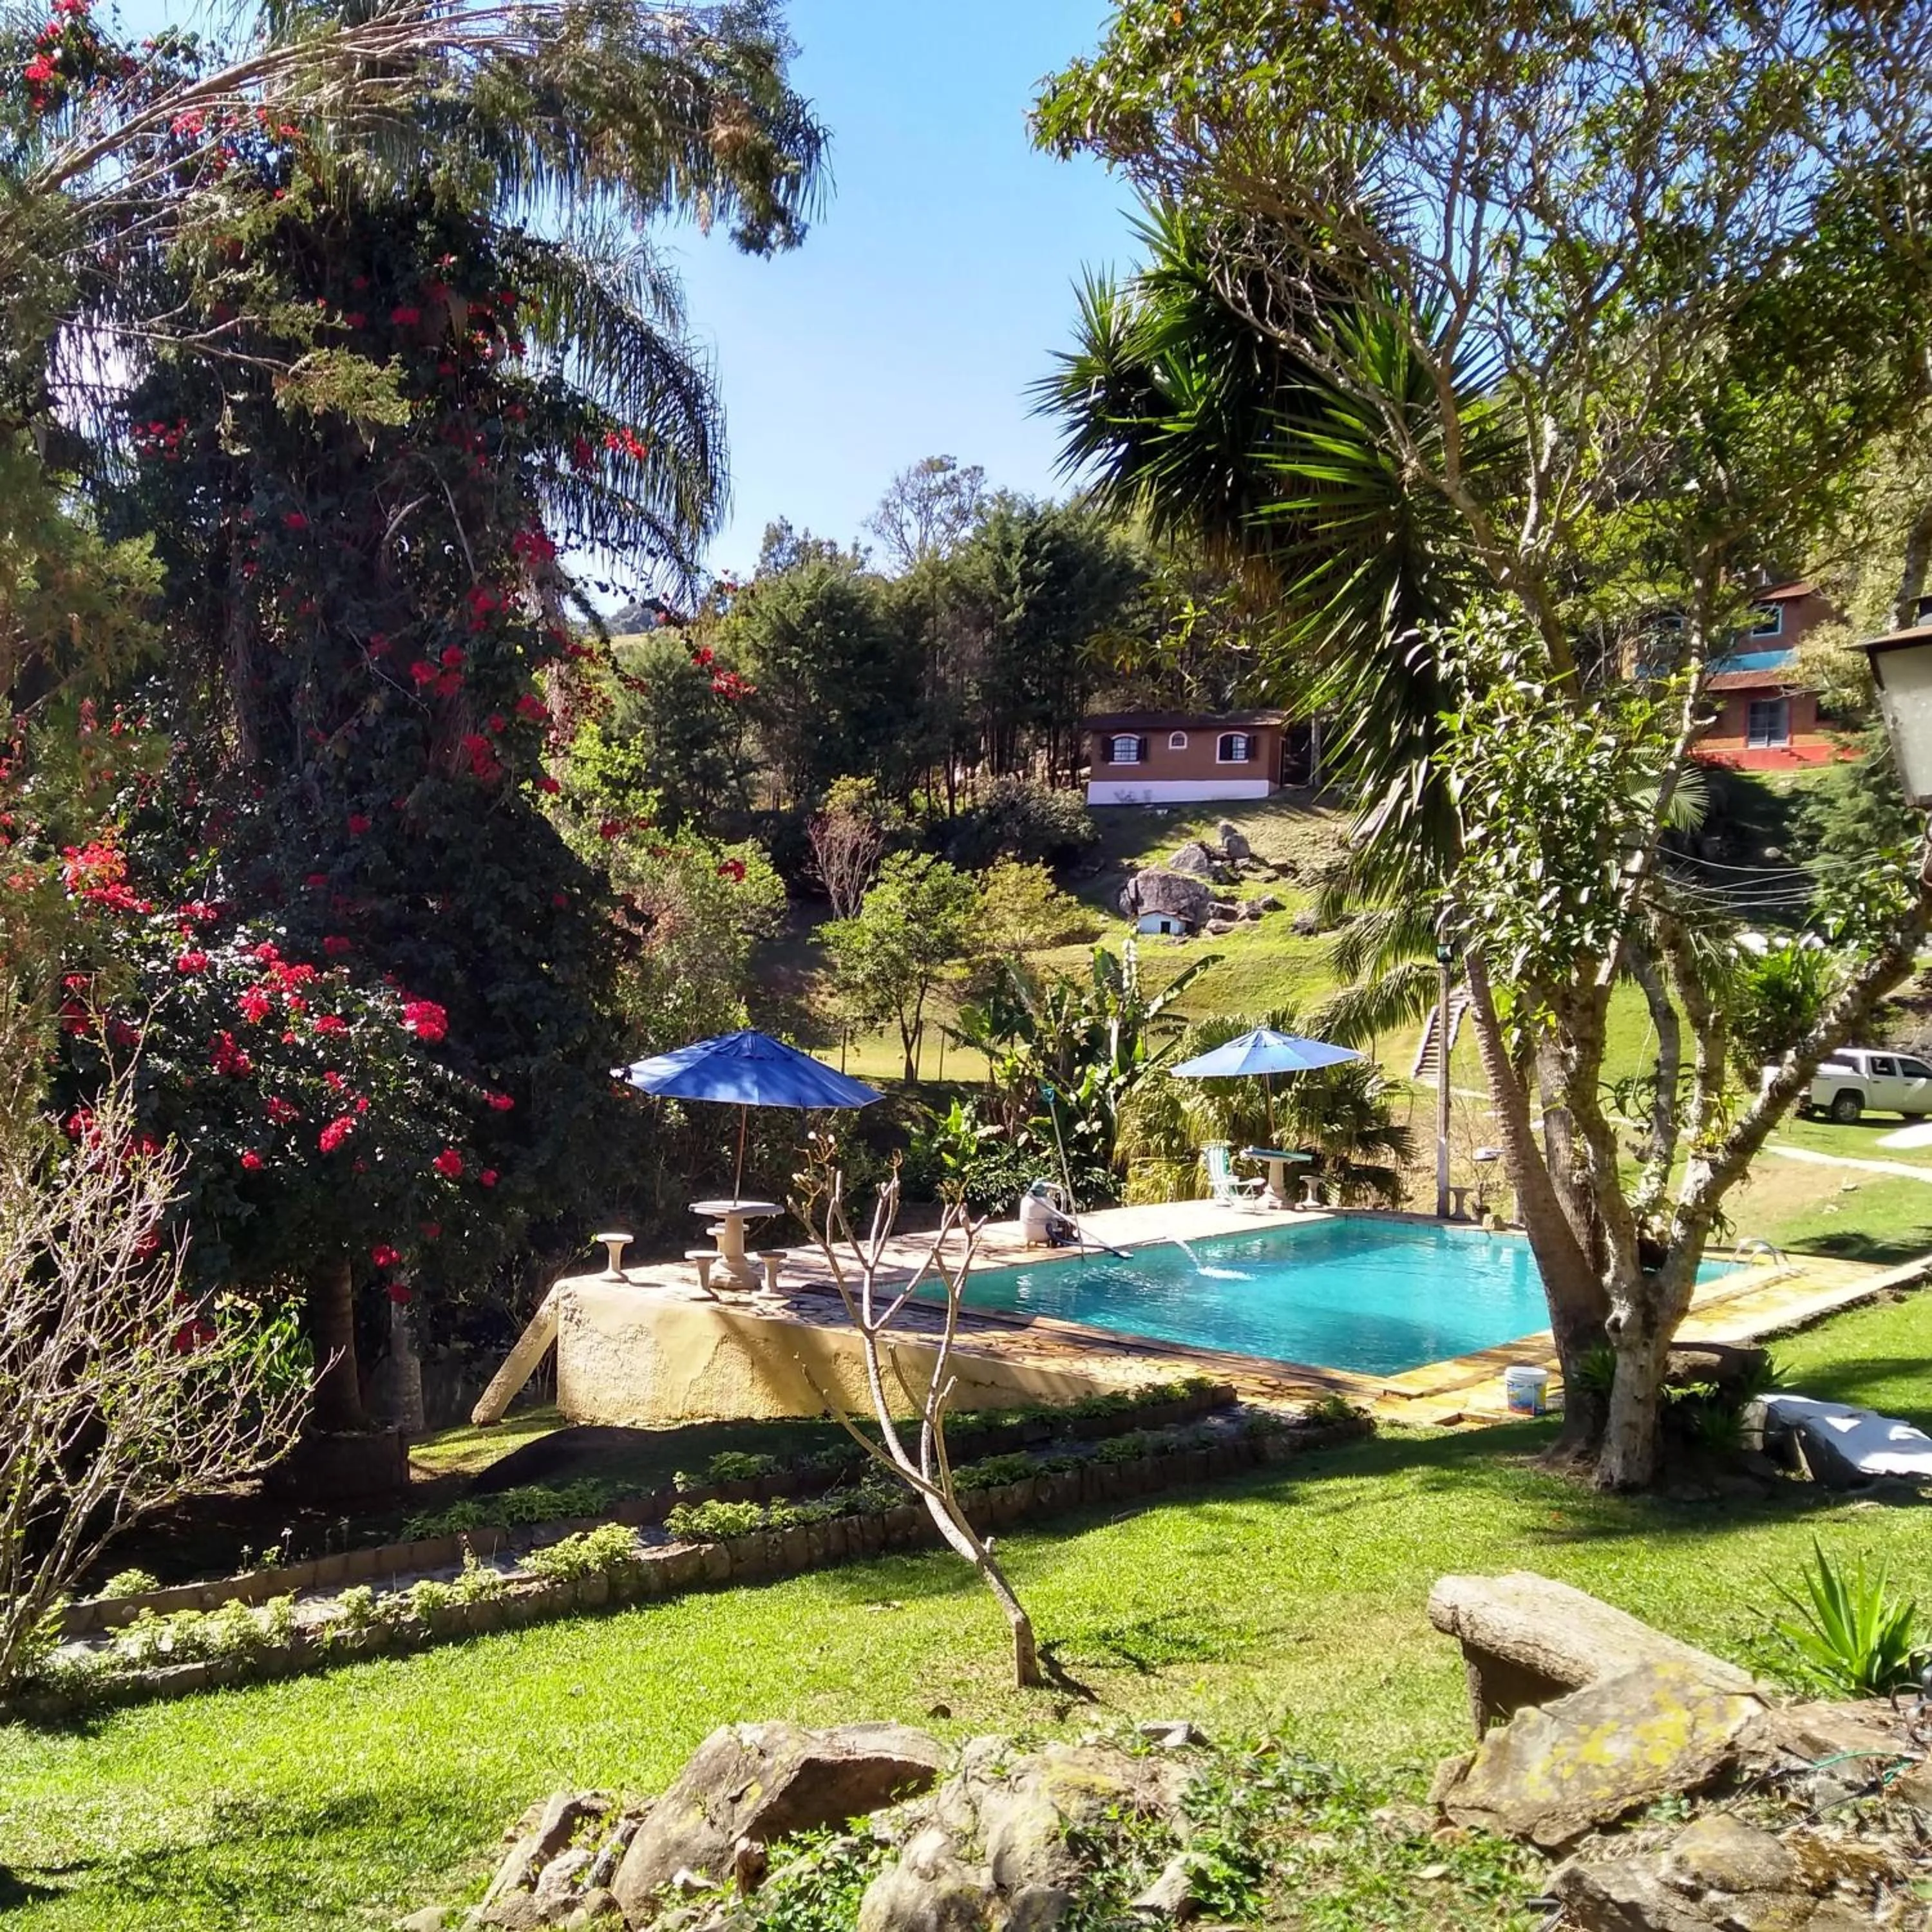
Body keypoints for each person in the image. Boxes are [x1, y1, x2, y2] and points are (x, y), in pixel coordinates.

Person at [1018, 1179, 1079, 1247]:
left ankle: (1030, 1240)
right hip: (1046, 1234)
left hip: (1033, 1235)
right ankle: (1047, 1239)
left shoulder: (1027, 1201)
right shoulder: (1047, 1202)